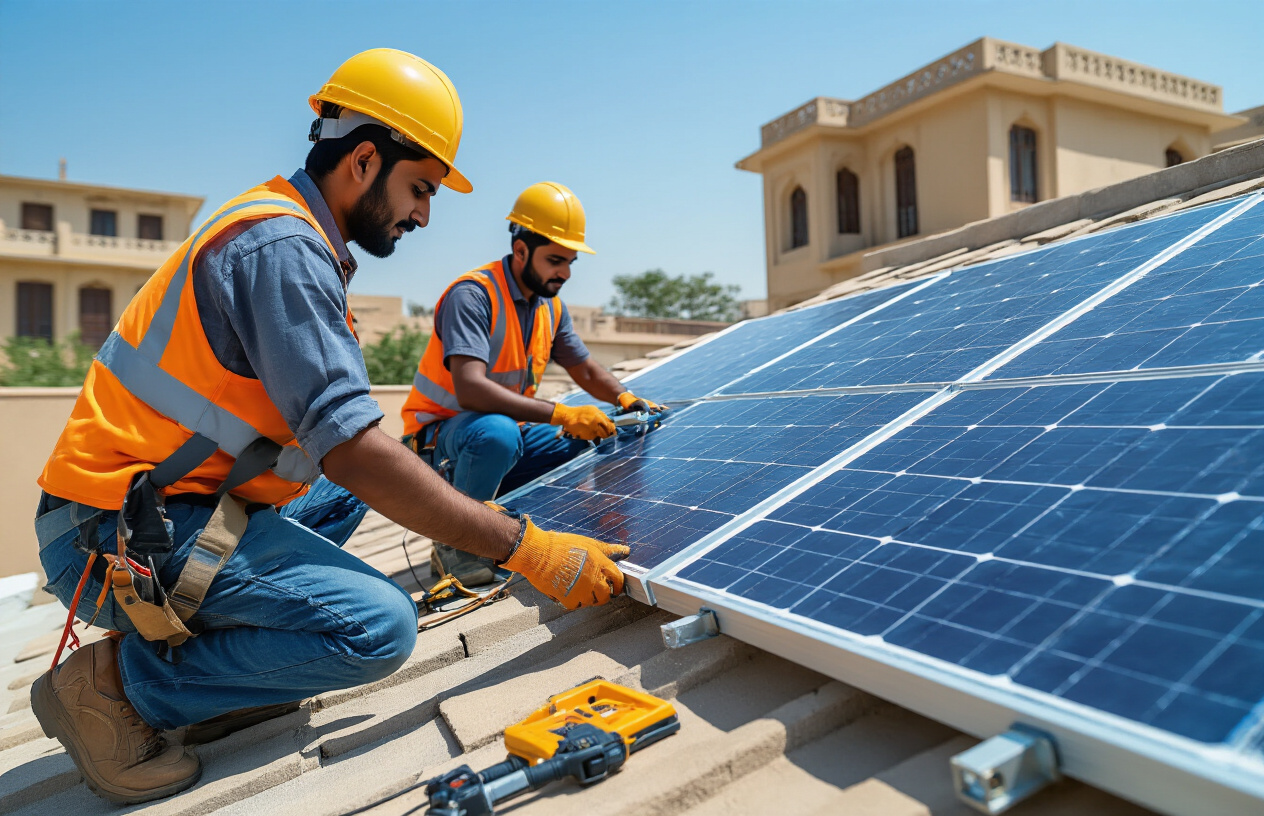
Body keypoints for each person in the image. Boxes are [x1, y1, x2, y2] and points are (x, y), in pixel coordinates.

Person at [30, 50, 629, 806]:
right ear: (364, 159)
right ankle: (117, 689)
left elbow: (336, 459)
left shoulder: (290, 234)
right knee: (377, 629)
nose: (423, 214)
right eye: (420, 189)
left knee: (351, 499)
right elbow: (351, 451)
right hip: (112, 534)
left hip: (168, 508)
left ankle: (225, 673)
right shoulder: (282, 249)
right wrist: (525, 548)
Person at [400, 182, 666, 586]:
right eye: (556, 260)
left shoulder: (551, 307)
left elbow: (586, 368)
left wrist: (623, 397)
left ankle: (516, 521)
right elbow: (470, 389)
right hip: (441, 448)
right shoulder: (473, 295)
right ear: (521, 249)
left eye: (571, 261)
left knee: (596, 431)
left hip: (501, 442)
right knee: (498, 433)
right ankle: (456, 543)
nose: (566, 272)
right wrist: (560, 411)